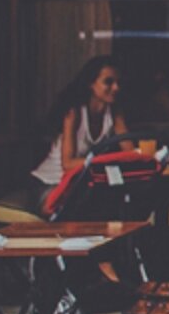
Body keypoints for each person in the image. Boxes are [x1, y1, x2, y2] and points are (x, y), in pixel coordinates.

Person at [28, 55, 131, 215]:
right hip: (50, 182)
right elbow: (68, 163)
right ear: (91, 83)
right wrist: (106, 162)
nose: (116, 87)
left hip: (78, 184)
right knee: (75, 210)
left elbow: (129, 152)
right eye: (108, 82)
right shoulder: (74, 112)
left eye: (118, 82)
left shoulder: (114, 112)